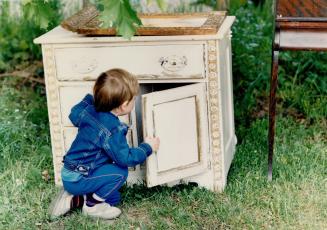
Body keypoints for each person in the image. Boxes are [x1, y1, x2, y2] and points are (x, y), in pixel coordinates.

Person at [49, 68, 160, 219]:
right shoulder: (113, 129)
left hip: (70, 174)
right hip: (79, 178)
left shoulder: (88, 111)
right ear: (124, 105)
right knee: (120, 172)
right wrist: (147, 147)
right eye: (134, 99)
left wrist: (95, 99)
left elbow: (74, 112)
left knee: (113, 198)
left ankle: (73, 199)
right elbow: (125, 158)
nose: (135, 101)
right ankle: (92, 207)